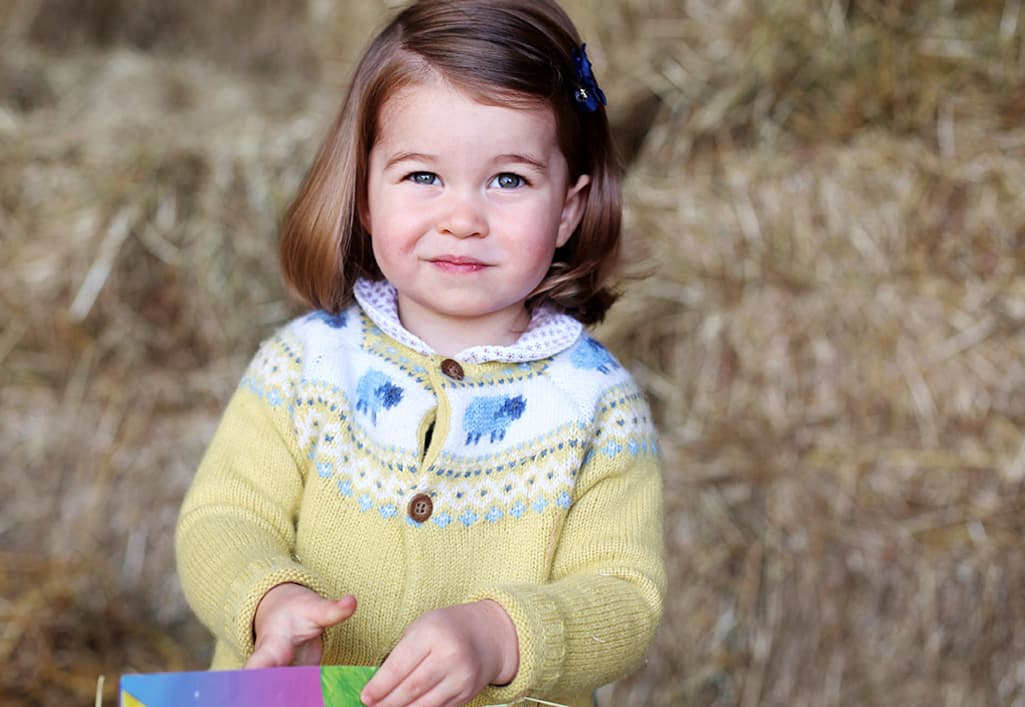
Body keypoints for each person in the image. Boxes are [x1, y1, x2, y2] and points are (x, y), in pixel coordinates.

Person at [174, 1, 665, 705]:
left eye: (508, 180)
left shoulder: (597, 408)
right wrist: (269, 599)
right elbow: (222, 517)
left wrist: (500, 635)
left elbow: (624, 595)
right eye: (422, 177)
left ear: (567, 208)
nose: (462, 219)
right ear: (365, 194)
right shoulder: (306, 365)